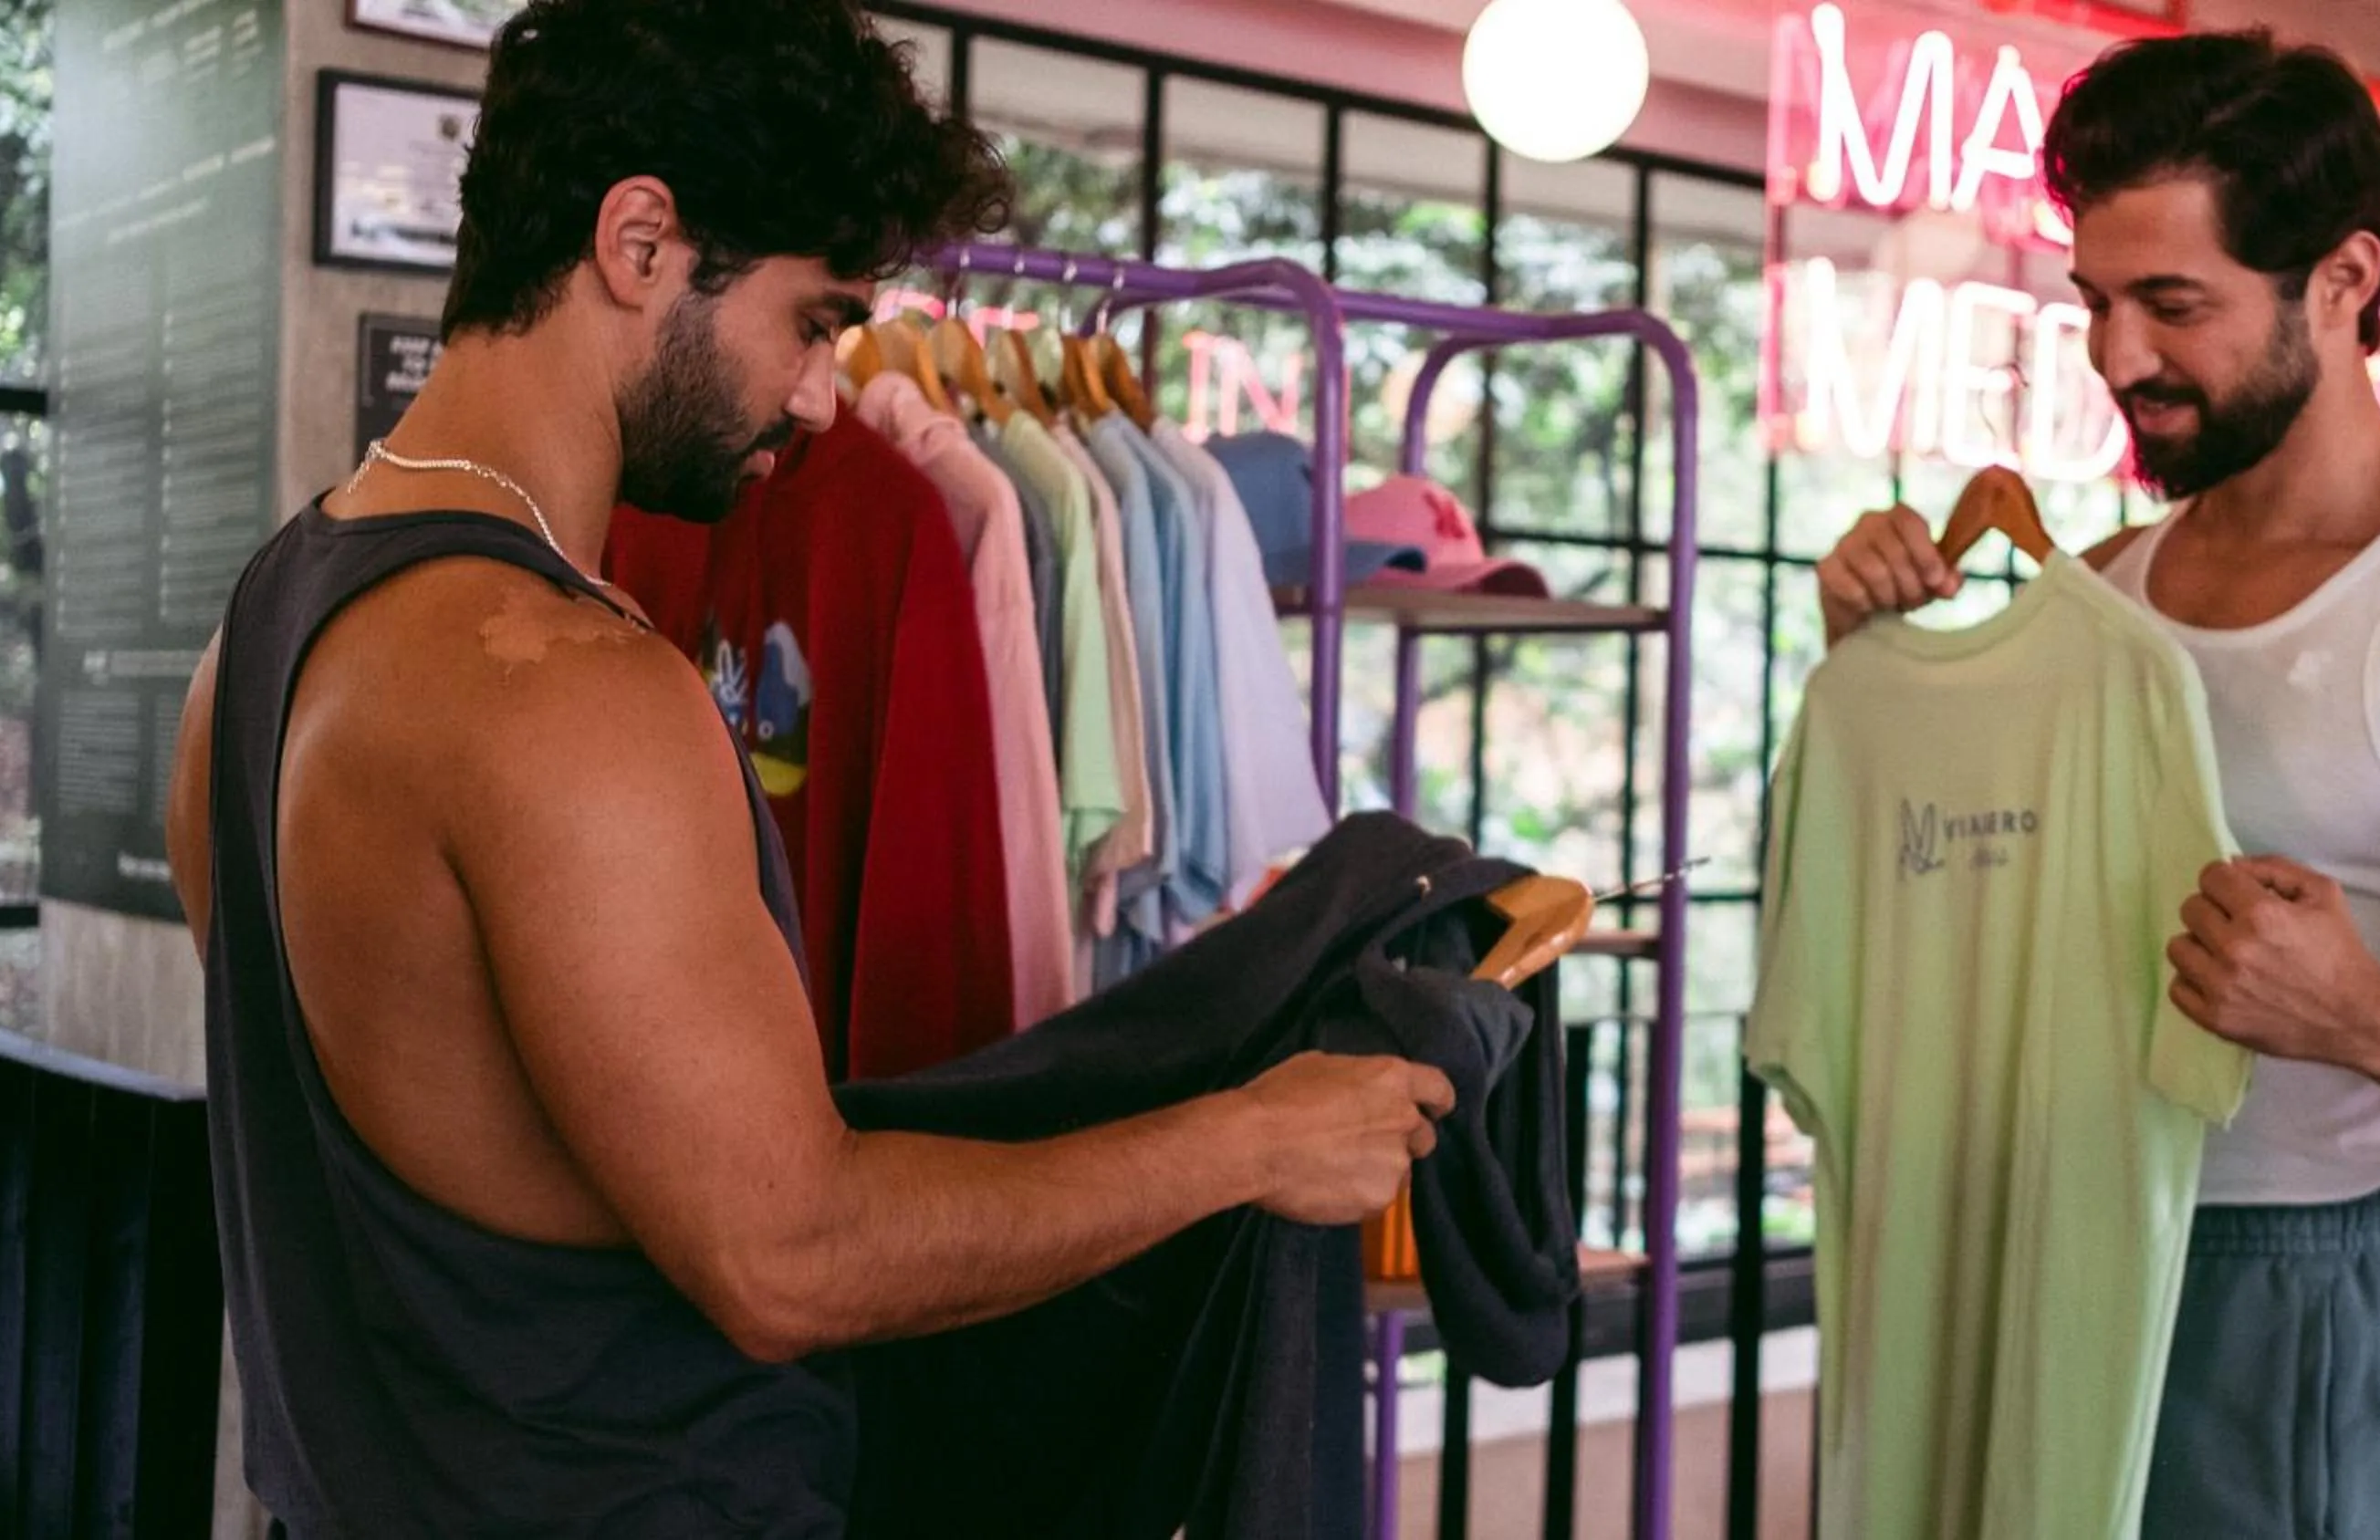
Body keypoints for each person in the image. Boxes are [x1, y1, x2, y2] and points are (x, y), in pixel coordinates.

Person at [162, 1, 1453, 1533]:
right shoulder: (560, 686)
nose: (827, 395)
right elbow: (790, 1257)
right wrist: (1247, 1139)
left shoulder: (254, 640)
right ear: (640, 243)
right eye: (816, 319)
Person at [1814, 29, 2380, 1539]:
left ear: (2345, 280)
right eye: (2096, 303)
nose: (2116, 359)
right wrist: (1885, 675)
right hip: (2030, 1242)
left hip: (2282, 1288)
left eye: (2174, 306)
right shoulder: (2110, 584)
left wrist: (2363, 1017)